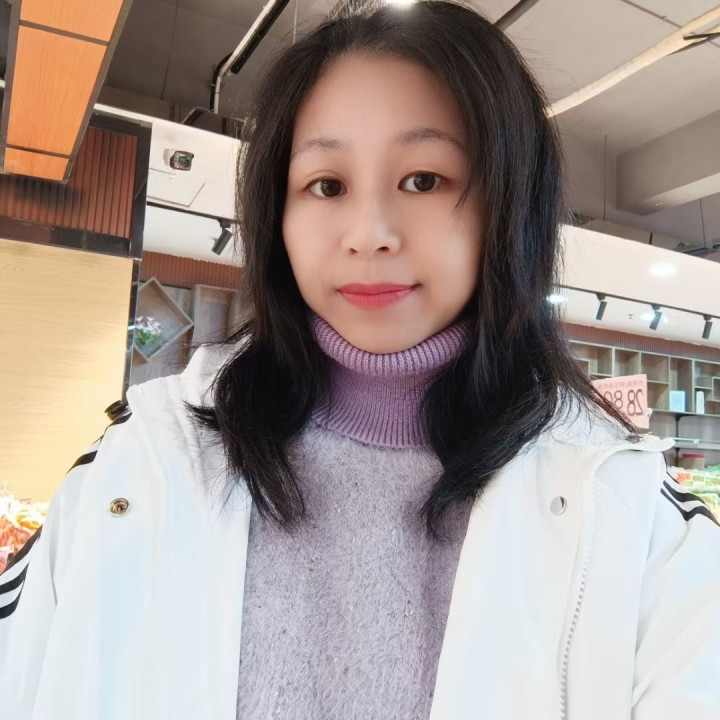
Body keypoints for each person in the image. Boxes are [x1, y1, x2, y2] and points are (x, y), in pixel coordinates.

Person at [2, 2, 719, 718]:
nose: (369, 233)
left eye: (424, 179)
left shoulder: (629, 516)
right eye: (327, 185)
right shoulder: (139, 467)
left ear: (510, 205)